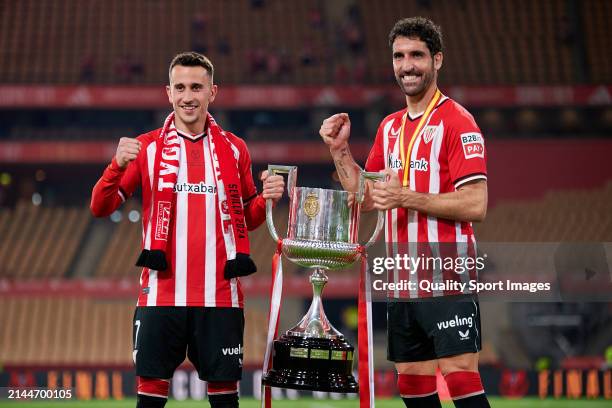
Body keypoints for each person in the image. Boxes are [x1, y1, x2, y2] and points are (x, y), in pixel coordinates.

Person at [91, 51, 284, 408]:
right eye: (180, 87)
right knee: (149, 399)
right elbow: (100, 206)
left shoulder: (235, 149)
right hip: (161, 295)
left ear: (213, 92)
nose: (188, 96)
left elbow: (247, 219)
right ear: (168, 92)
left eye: (197, 87)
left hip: (220, 296)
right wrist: (115, 164)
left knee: (225, 400)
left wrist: (266, 199)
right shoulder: (146, 148)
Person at [320, 17, 491, 408]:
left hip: (447, 277)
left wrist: (405, 198)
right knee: (412, 387)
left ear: (437, 61)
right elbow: (365, 198)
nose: (407, 65)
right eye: (399, 56)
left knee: (462, 380)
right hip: (401, 280)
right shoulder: (389, 127)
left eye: (417, 55)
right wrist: (339, 151)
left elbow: (475, 204)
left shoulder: (458, 121)